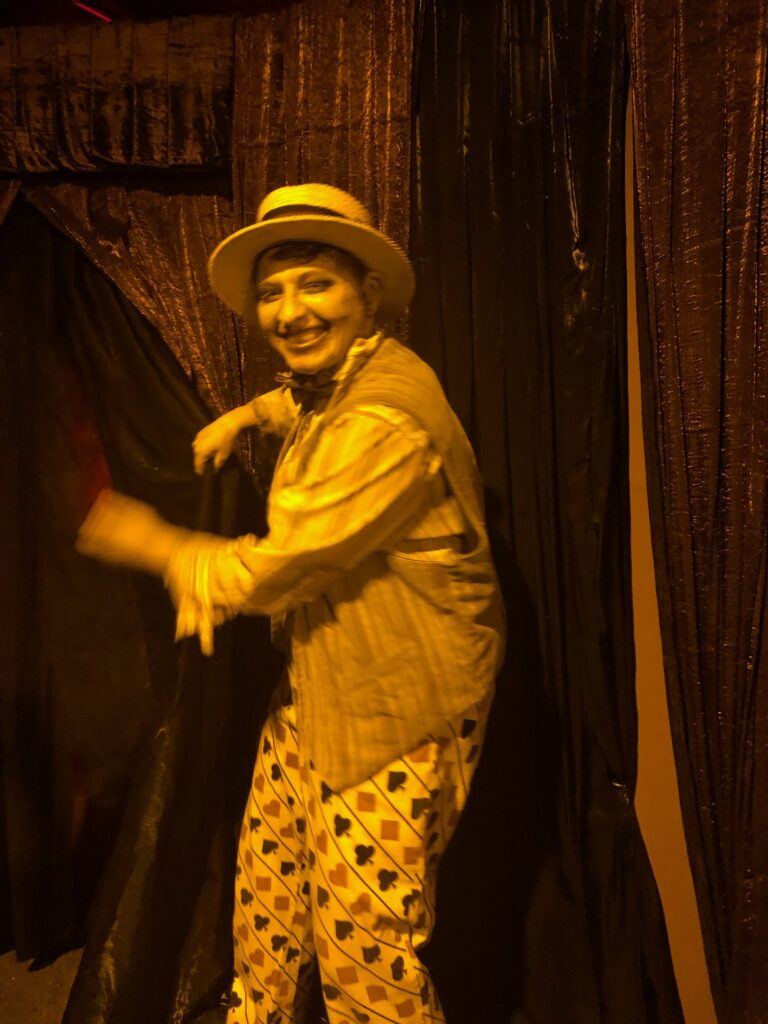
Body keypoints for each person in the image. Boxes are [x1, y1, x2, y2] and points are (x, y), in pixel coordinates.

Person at [78, 183, 505, 1024]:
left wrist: (154, 544)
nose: (290, 310)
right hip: (323, 680)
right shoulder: (344, 378)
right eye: (272, 291)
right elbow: (298, 400)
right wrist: (243, 416)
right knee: (267, 888)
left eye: (316, 283)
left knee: (365, 950)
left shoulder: (384, 420)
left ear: (367, 293)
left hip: (400, 705)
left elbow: (280, 567)